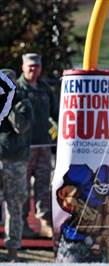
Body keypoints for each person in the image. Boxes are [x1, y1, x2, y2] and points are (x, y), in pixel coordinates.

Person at [17, 53, 59, 239]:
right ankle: (23, 222)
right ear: (23, 67)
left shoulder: (44, 89)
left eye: (37, 66)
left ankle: (44, 222)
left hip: (43, 145)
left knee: (43, 185)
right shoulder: (17, 89)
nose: (33, 70)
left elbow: (56, 113)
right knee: (22, 187)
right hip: (23, 147)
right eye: (30, 66)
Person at [0, 69, 33, 261]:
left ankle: (13, 250)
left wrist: (10, 103)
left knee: (14, 206)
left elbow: (20, 127)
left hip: (15, 162)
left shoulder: (23, 103)